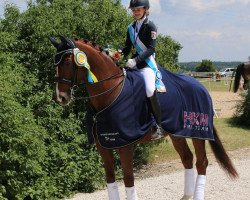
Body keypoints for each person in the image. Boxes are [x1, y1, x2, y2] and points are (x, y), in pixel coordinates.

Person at [122, 0, 166, 140]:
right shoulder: (131, 27)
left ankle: (159, 126)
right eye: (133, 10)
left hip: (146, 63)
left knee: (148, 89)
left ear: (145, 9)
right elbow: (127, 48)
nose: (135, 12)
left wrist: (135, 60)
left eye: (138, 9)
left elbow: (151, 49)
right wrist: (118, 57)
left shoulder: (151, 26)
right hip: (133, 63)